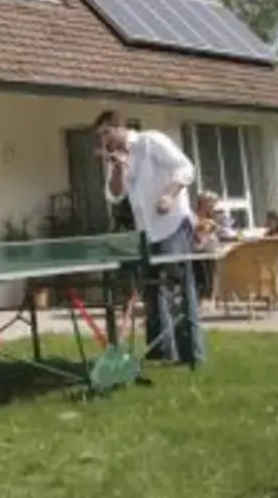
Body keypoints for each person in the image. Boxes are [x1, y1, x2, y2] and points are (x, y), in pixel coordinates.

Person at [94, 110, 206, 365]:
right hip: (147, 233)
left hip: (173, 225)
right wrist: (118, 170)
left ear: (118, 128)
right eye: (99, 137)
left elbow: (186, 167)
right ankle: (162, 353)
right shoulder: (118, 158)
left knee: (178, 292)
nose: (103, 141)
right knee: (154, 296)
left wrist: (169, 194)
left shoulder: (150, 141)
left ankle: (191, 356)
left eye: (105, 133)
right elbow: (114, 196)